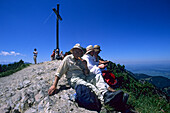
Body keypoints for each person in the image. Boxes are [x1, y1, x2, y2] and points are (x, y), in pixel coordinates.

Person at [48, 43, 125, 105]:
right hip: (74, 78)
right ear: (72, 51)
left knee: (97, 77)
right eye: (75, 51)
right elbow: (59, 72)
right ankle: (104, 99)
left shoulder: (82, 60)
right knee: (90, 86)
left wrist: (85, 66)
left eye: (79, 51)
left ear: (81, 53)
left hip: (84, 76)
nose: (77, 52)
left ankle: (105, 93)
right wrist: (54, 85)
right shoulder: (68, 58)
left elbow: (87, 73)